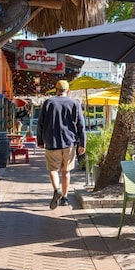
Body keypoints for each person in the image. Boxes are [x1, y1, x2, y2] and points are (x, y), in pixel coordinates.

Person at [37, 80, 86, 209]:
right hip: (69, 142)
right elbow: (81, 125)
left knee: (53, 169)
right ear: (68, 91)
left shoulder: (48, 103)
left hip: (52, 142)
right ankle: (64, 198)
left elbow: (40, 124)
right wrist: (82, 143)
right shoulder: (74, 103)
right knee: (66, 171)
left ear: (56, 90)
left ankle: (56, 189)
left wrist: (40, 141)